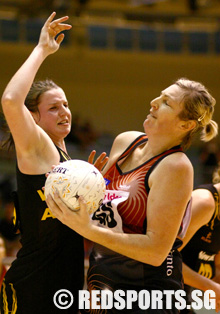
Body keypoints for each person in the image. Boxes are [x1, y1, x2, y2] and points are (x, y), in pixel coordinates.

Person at [46, 78, 218, 313]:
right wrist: (80, 189)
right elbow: (103, 216)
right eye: (160, 95)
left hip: (147, 294)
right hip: (102, 283)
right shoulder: (126, 141)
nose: (154, 103)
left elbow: (156, 251)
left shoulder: (176, 166)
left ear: (186, 125)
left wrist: (89, 230)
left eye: (166, 102)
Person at [0, 12, 107, 314]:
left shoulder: (65, 163)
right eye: (53, 107)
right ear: (33, 117)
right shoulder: (38, 147)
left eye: (66, 104)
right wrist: (42, 49)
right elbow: (10, 100)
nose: (64, 111)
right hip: (33, 287)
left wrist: (98, 187)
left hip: (63, 290)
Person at [180, 165, 220, 313]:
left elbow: (216, 268)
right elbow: (163, 258)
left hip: (180, 298)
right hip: (150, 292)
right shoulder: (204, 202)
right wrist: (210, 287)